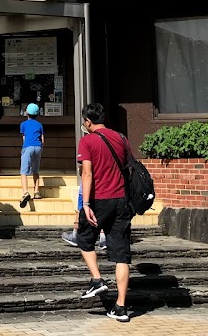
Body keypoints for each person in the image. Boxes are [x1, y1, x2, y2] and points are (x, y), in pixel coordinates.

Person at [76, 102, 132, 322]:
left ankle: (97, 280)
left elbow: (87, 174)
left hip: (99, 200)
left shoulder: (87, 141)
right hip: (121, 200)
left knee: (84, 239)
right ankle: (121, 307)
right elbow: (127, 166)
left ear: (88, 121)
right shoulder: (121, 138)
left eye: (84, 121)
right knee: (121, 255)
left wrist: (86, 204)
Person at [19, 103, 44, 207]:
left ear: (27, 113)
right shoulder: (39, 125)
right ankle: (36, 191)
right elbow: (42, 140)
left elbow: (24, 138)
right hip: (38, 147)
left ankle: (25, 192)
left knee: (23, 171)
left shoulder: (23, 124)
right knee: (36, 170)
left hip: (28, 147)